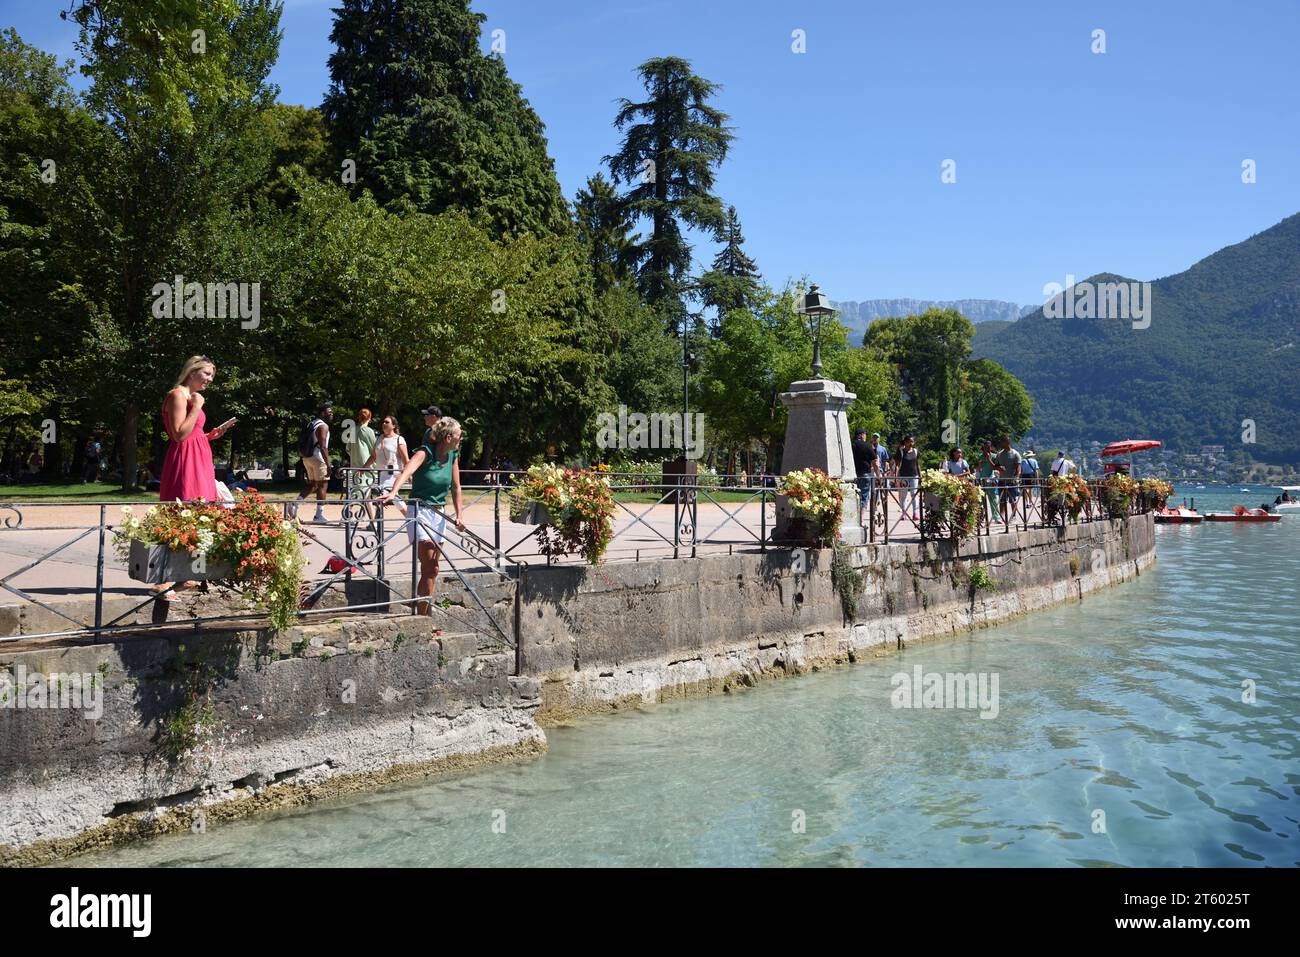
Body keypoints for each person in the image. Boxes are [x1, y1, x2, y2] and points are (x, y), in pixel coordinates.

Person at [376, 417, 465, 632]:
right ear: (448, 437)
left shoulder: (453, 455)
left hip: (440, 514)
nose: (461, 438)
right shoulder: (425, 452)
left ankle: (423, 618)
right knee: (430, 567)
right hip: (420, 512)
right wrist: (393, 493)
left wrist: (459, 515)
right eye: (459, 435)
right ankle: (422, 620)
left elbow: (455, 487)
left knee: (432, 571)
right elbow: (406, 471)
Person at [159, 356, 227, 503]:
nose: (210, 379)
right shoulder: (177, 395)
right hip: (187, 457)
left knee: (204, 506)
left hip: (199, 455)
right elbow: (178, 435)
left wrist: (207, 436)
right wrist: (196, 407)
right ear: (191, 373)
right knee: (189, 503)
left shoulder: (191, 397)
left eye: (212, 376)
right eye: (207, 374)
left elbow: (190, 432)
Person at [293, 403, 333, 523]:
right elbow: (323, 447)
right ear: (322, 413)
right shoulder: (323, 426)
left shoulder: (312, 423)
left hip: (307, 457)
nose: (331, 414)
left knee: (313, 485)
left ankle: (295, 504)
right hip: (318, 458)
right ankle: (319, 515)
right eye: (329, 412)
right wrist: (328, 464)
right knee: (323, 485)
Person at [365, 415, 409, 496]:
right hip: (381, 474)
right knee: (395, 500)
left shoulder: (399, 439)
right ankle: (404, 509)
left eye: (387, 422)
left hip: (394, 474)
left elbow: (405, 458)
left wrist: (409, 474)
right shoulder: (379, 438)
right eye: (383, 422)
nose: (384, 423)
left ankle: (381, 504)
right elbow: (373, 457)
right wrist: (363, 468)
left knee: (383, 494)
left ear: (393, 426)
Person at [346, 407, 378, 498]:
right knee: (362, 492)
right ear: (369, 418)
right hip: (366, 466)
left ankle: (369, 512)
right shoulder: (369, 431)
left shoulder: (353, 431)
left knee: (362, 492)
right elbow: (374, 449)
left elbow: (348, 448)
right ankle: (348, 509)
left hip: (355, 464)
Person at [993, 434, 1022, 523]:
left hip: (1011, 481)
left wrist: (1016, 477)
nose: (1001, 443)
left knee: (1012, 500)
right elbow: (995, 466)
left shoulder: (1015, 454)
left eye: (1003, 441)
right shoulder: (1000, 454)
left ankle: (1013, 516)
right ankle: (1002, 516)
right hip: (1002, 480)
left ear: (1008, 442)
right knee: (1002, 500)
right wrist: (999, 468)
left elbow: (1018, 469)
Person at [895, 436, 921, 521]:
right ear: (905, 442)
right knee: (904, 495)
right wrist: (896, 477)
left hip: (914, 475)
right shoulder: (901, 452)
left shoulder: (915, 451)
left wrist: (920, 475)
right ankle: (904, 513)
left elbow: (917, 464)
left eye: (912, 442)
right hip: (904, 476)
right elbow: (897, 465)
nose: (911, 444)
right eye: (909, 442)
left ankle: (915, 513)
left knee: (914, 494)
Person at [851, 428, 873, 524]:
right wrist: (879, 475)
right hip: (865, 473)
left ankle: (852, 518)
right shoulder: (866, 445)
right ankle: (861, 519)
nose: (865, 436)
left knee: (853, 496)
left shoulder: (850, 444)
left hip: (852, 474)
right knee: (864, 496)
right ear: (861, 435)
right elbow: (875, 460)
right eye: (865, 434)